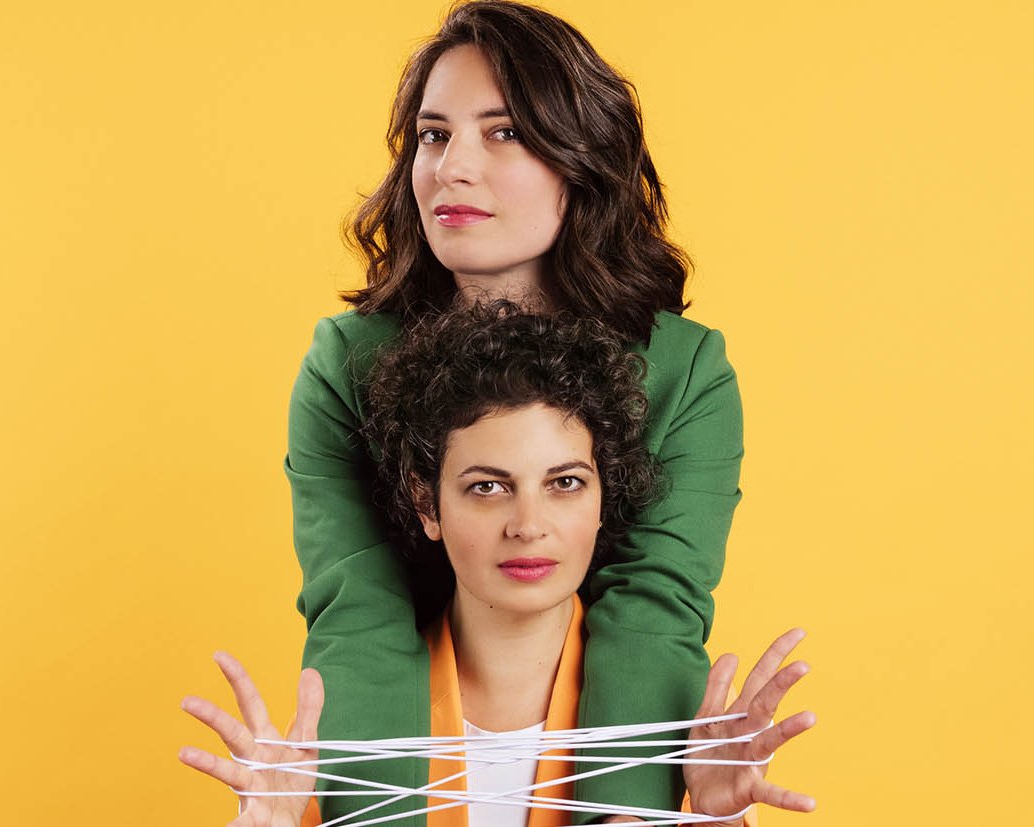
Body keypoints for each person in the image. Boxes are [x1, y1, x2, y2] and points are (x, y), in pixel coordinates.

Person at [286, 2, 745, 822]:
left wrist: (629, 818)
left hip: (580, 743)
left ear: (580, 159)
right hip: (422, 737)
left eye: (503, 132)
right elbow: (359, 613)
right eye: (433, 135)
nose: (452, 167)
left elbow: (652, 620)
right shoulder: (346, 364)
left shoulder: (686, 372)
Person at [181, 306, 815, 827]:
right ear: (427, 504)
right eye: (487, 487)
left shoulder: (684, 744)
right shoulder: (328, 749)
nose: (528, 524)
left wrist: (715, 821)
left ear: (604, 500)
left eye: (565, 483)